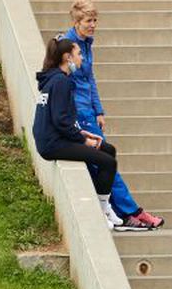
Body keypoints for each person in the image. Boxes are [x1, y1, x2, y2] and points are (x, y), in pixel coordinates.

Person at [62, 0, 163, 231]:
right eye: (89, 21)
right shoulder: (67, 46)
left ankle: (119, 211)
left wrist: (99, 110)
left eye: (95, 20)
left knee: (104, 162)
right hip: (79, 113)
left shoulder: (86, 44)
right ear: (77, 22)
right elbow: (63, 81)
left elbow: (90, 79)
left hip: (89, 110)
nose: (93, 25)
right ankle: (130, 212)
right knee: (106, 161)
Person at [33, 37, 124, 231]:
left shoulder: (56, 79)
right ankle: (100, 212)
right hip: (53, 144)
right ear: (68, 57)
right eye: (78, 54)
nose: (81, 57)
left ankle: (106, 208)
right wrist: (83, 140)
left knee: (108, 150)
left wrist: (83, 133)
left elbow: (61, 118)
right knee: (108, 162)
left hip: (56, 137)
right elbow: (60, 121)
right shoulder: (60, 82)